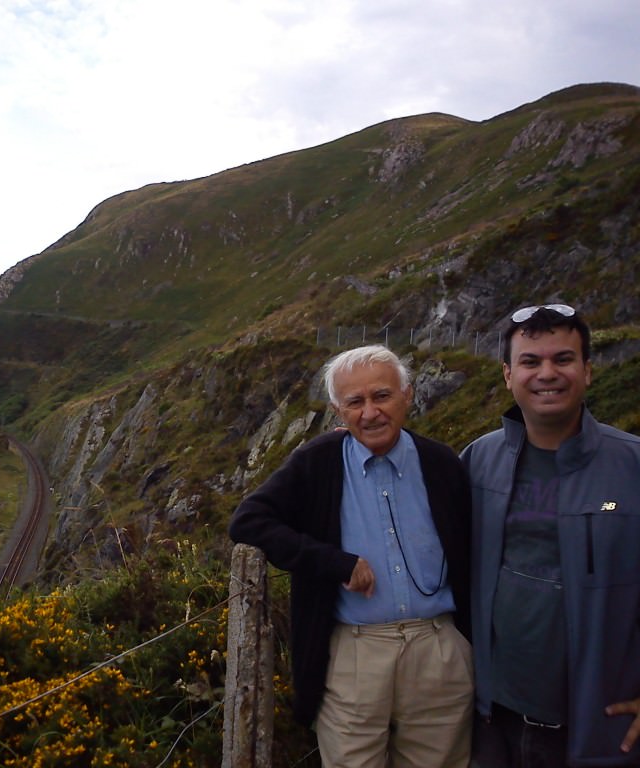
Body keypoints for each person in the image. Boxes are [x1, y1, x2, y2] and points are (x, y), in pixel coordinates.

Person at [229, 344, 473, 768]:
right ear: (337, 410)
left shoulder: (442, 463)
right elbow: (248, 521)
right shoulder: (316, 462)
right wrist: (335, 562)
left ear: (408, 395)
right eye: (354, 402)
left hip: (438, 649)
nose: (370, 413)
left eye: (382, 396)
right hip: (355, 652)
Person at [461, 304, 640, 766]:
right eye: (530, 361)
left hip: (597, 730)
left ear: (588, 371)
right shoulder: (478, 460)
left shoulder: (632, 465)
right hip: (491, 724)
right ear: (507, 375)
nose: (547, 373)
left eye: (563, 359)